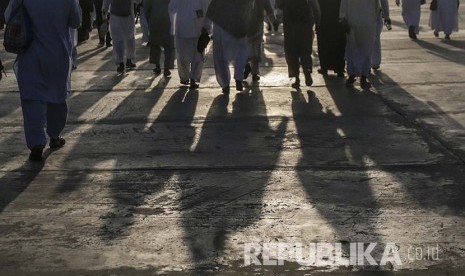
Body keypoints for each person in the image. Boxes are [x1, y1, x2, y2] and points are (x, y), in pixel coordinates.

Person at [4, 0, 81, 161]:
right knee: (57, 97)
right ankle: (54, 135)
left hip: (31, 55)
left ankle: (36, 143)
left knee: (31, 99)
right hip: (57, 54)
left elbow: (7, 16)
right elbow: (76, 21)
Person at [206, 0, 255, 94]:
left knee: (221, 58)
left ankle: (225, 85)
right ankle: (239, 78)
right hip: (240, 25)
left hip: (221, 25)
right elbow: (250, 8)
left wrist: (205, 28)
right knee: (241, 53)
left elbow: (211, 10)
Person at [277, 0, 321, 89]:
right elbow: (314, 4)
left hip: (290, 22)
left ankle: (296, 78)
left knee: (292, 51)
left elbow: (280, 4)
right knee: (305, 49)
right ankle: (307, 70)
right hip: (305, 20)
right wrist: (317, 19)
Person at [168, 0, 211, 88]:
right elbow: (206, 7)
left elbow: (171, 9)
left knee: (183, 55)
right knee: (197, 54)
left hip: (183, 28)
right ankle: (192, 78)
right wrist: (206, 25)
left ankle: (185, 77)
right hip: (195, 27)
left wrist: (174, 24)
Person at [339, 0, 379, 89]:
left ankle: (352, 75)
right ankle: (363, 77)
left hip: (353, 22)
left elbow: (344, 4)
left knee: (352, 49)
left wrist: (342, 17)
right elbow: (377, 6)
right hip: (368, 22)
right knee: (366, 51)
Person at [244, 0, 276, 82]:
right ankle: (254, 72)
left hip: (247, 24)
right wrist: (274, 22)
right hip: (256, 24)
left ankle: (248, 67)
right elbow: (268, 8)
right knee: (256, 48)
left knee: (247, 47)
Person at [103, 0, 138, 73]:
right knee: (129, 39)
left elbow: (106, 2)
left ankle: (121, 62)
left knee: (118, 40)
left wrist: (104, 14)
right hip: (127, 16)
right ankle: (128, 59)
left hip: (116, 16)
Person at [144, 0, 175, 76]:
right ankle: (166, 68)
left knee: (155, 44)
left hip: (155, 19)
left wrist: (148, 17)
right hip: (168, 19)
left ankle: (157, 66)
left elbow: (147, 7)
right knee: (169, 45)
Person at [317, 0, 346, 77]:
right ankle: (339, 68)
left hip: (324, 19)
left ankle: (324, 67)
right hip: (338, 20)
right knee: (339, 44)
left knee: (324, 44)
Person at [372, 0, 391, 70]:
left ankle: (368, 64)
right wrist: (386, 16)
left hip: (363, 17)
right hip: (375, 15)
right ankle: (375, 62)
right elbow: (384, 2)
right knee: (376, 40)